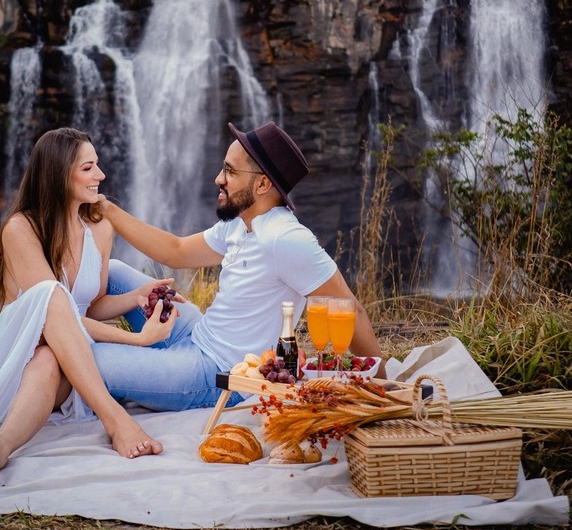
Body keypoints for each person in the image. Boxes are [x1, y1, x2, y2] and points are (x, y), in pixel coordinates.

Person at [0, 127, 179, 487]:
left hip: (64, 360)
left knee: (51, 357)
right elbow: (52, 313)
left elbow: (92, 304)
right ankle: (115, 420)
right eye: (88, 168)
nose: (100, 175)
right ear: (58, 172)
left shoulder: (99, 229)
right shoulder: (21, 229)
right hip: (15, 355)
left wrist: (134, 297)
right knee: (52, 297)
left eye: (97, 165)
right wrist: (136, 340)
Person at [94, 121, 383, 412]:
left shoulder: (285, 238)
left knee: (91, 358)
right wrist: (107, 209)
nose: (218, 179)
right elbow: (176, 251)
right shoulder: (238, 223)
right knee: (115, 272)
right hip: (194, 333)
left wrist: (382, 389)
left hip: (219, 372)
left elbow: (350, 309)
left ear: (262, 184)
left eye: (230, 171)